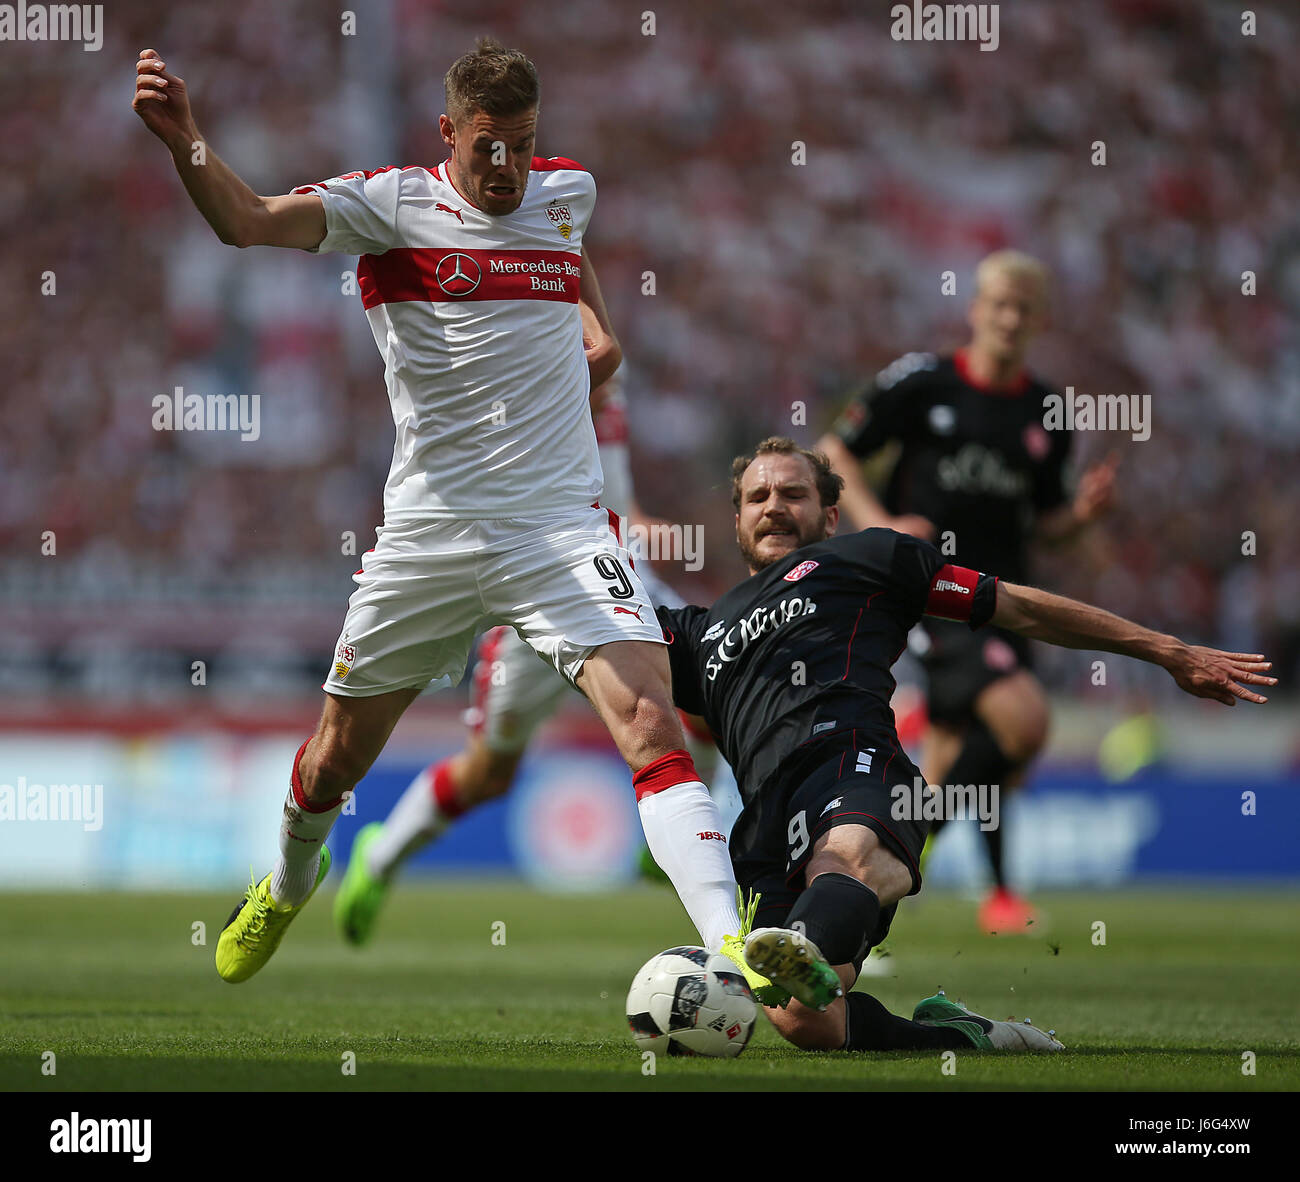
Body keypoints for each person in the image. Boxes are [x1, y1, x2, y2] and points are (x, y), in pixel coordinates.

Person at [133, 37, 753, 990]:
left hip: (558, 529)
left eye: (522, 144)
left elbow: (568, 251)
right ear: (448, 134)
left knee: (651, 724)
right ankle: (291, 883)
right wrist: (188, 145)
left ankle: (731, 949)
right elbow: (248, 221)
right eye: (485, 147)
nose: (504, 168)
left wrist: (600, 332)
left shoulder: (567, 191)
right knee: (334, 761)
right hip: (430, 536)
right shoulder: (388, 205)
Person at [653, 437, 1272, 1052]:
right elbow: (594, 625)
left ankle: (812, 938)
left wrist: (1166, 650)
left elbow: (1020, 609)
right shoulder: (699, 631)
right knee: (803, 1019)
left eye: (794, 492)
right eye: (757, 496)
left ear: (830, 515)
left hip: (853, 766)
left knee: (845, 859)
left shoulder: (870, 559)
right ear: (736, 518)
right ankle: (962, 1035)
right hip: (764, 821)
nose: (774, 506)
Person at [332, 370, 722, 944]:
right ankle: (380, 858)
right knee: (489, 773)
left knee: (706, 689)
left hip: (613, 578)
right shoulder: (512, 380)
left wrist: (639, 522)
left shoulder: (605, 384)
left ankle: (672, 848)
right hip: (534, 589)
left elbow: (608, 487)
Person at [818, 251, 1118, 934]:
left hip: (1005, 598)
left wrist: (1082, 517)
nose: (1009, 318)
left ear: (1040, 319)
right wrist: (884, 525)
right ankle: (902, 860)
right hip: (931, 592)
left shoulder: (1046, 411)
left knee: (974, 759)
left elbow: (1045, 526)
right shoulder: (922, 382)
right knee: (1024, 721)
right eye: (999, 304)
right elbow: (836, 449)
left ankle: (869, 896)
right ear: (975, 308)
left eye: (1024, 308)